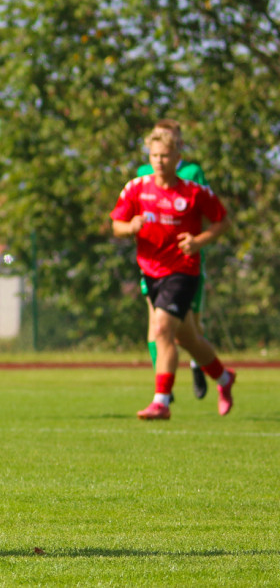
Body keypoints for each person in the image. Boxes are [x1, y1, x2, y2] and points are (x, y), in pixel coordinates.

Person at [111, 127, 236, 420]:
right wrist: (130, 228)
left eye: (165, 155)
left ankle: (161, 401)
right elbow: (116, 223)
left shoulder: (193, 191)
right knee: (188, 338)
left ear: (178, 157)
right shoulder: (136, 187)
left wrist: (199, 241)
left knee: (162, 328)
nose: (159, 161)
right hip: (150, 273)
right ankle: (224, 378)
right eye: (154, 155)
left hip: (182, 271)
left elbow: (223, 222)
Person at [134, 120, 209, 401]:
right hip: (153, 263)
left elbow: (206, 211)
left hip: (185, 263)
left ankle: (199, 365)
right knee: (157, 324)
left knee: (189, 328)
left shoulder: (192, 172)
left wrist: (196, 239)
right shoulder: (143, 174)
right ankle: (162, 386)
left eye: (171, 139)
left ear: (178, 145)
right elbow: (130, 212)